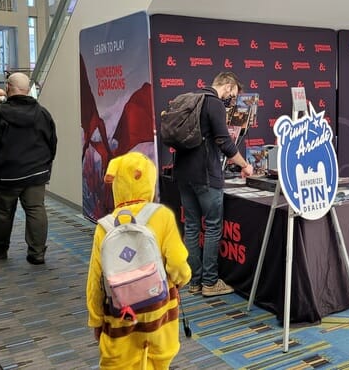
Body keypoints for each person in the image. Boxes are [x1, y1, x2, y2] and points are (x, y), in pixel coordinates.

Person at [86, 151, 191, 369]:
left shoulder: (104, 226)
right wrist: (181, 279)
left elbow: (95, 281)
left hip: (122, 315)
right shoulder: (162, 216)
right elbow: (178, 263)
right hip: (159, 312)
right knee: (158, 361)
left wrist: (96, 319)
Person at [175, 71, 253, 297]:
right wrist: (244, 165)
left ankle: (194, 281)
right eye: (233, 94)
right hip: (206, 176)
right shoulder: (214, 103)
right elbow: (224, 142)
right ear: (228, 86)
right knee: (212, 227)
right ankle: (209, 282)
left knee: (191, 226)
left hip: (183, 174)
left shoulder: (192, 100)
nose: (232, 99)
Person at [0, 72, 57, 264]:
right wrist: (45, 167)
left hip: (6, 175)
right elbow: (52, 143)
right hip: (36, 174)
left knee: (2, 213)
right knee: (36, 209)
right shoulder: (42, 114)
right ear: (27, 89)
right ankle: (37, 253)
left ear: (8, 88)